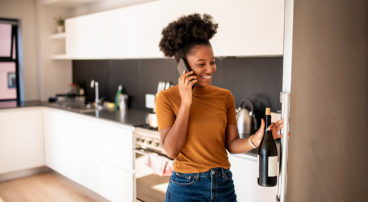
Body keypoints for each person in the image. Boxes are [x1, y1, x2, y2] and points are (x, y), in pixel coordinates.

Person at [156, 13, 286, 202]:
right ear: (183, 66)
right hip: (186, 187)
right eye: (201, 64)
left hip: (223, 183)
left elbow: (231, 144)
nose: (210, 69)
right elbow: (171, 150)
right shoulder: (166, 98)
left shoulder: (225, 96)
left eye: (213, 62)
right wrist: (186, 102)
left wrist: (255, 140)